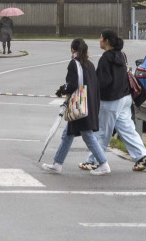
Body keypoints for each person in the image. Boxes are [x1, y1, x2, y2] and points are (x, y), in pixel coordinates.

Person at [78, 30, 146, 172]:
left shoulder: (106, 58)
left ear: (106, 41)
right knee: (127, 129)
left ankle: (93, 160)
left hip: (111, 100)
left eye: (101, 37)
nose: (99, 40)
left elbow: (103, 81)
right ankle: (142, 156)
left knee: (101, 132)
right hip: (125, 98)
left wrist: (92, 91)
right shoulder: (121, 55)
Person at [41, 38, 110, 175]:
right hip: (88, 104)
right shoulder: (89, 64)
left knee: (87, 135)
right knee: (68, 134)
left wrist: (61, 89)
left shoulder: (74, 64)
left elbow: (72, 84)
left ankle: (103, 163)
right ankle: (57, 163)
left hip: (79, 106)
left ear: (73, 50)